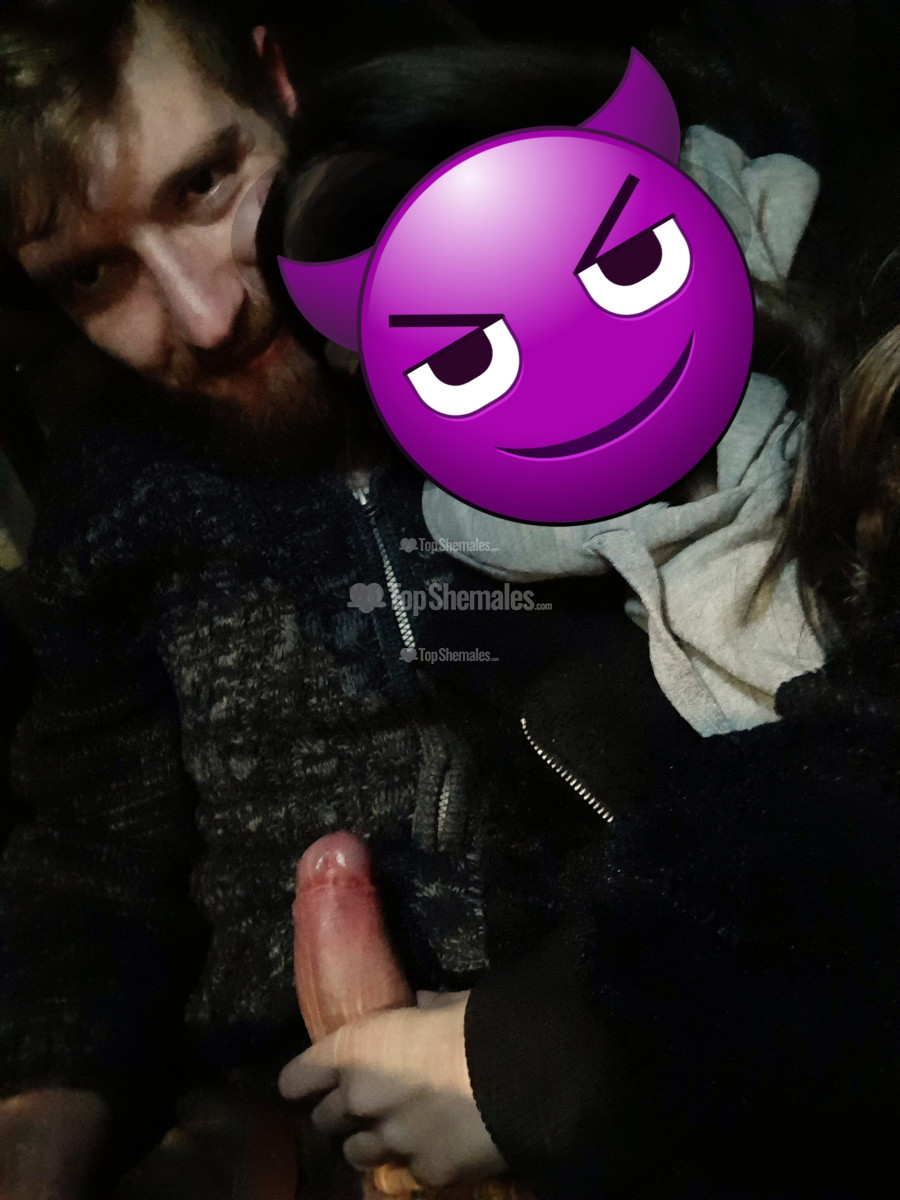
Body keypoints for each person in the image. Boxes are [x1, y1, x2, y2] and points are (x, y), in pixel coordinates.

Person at [261, 40, 900, 1200]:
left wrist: (548, 1055)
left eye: (609, 261)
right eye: (461, 349)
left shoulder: (867, 300)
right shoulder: (493, 608)